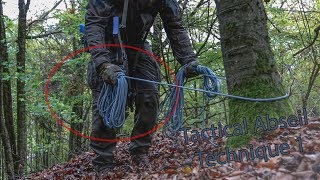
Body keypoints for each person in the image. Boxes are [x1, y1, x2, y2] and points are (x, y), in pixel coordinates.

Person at [85, 0, 200, 174]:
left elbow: (175, 26)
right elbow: (94, 24)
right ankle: (103, 161)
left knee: (149, 94)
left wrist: (188, 59)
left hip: (139, 44)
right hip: (108, 43)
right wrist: (102, 63)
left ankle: (140, 150)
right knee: (106, 98)